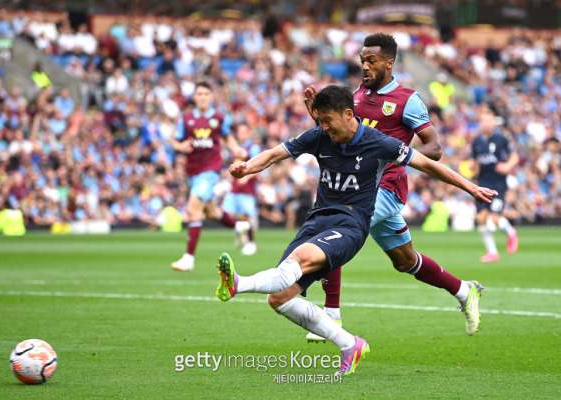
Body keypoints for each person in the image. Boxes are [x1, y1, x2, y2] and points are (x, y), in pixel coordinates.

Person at [215, 85, 497, 376]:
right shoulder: (320, 136)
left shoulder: (380, 143)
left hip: (350, 225)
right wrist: (247, 168)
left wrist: (471, 188)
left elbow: (429, 164)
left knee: (297, 262)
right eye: (320, 121)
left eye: (327, 121)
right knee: (280, 298)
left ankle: (238, 283)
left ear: (348, 114)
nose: (323, 127)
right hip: (317, 220)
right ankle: (350, 344)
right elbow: (275, 154)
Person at [303, 33, 483, 342]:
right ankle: (464, 290)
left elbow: (435, 148)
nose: (365, 67)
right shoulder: (355, 98)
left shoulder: (407, 100)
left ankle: (331, 314)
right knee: (405, 261)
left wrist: (394, 159)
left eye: (371, 61)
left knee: (335, 228)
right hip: (361, 187)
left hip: (386, 188)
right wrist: (319, 118)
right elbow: (341, 136)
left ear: (389, 61)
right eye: (362, 61)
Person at [170, 81, 250, 272]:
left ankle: (188, 258)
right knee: (211, 212)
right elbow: (175, 140)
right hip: (193, 172)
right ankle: (238, 226)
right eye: (199, 94)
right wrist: (179, 146)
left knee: (193, 208)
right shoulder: (186, 119)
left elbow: (227, 138)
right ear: (195, 97)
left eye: (206, 93)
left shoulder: (219, 118)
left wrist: (236, 148)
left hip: (210, 170)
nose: (203, 97)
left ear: (211, 97)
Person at [470, 110, 519, 262]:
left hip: (498, 183)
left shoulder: (501, 139)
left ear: (494, 123)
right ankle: (492, 252)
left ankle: (511, 232)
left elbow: (515, 156)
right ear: (481, 123)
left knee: (495, 217)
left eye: (489, 121)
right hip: (482, 183)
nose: (486, 124)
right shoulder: (476, 141)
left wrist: (507, 166)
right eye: (484, 121)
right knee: (482, 217)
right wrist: (472, 167)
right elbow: (475, 161)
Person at [221, 123, 261, 255]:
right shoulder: (236, 149)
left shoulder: (253, 148)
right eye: (240, 132)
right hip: (234, 187)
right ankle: (240, 233)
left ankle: (251, 243)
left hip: (247, 188)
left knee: (245, 216)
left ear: (249, 133)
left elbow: (260, 166)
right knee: (226, 213)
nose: (241, 134)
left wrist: (247, 178)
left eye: (244, 132)